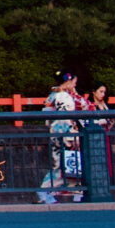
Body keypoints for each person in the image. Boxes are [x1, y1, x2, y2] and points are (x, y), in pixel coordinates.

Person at [40, 71, 85, 204]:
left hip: (56, 131)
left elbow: (47, 114)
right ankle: (45, 191)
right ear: (69, 81)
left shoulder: (53, 96)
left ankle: (77, 193)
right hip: (65, 132)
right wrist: (72, 136)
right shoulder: (64, 97)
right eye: (74, 83)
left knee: (65, 165)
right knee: (65, 165)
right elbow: (66, 118)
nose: (74, 85)